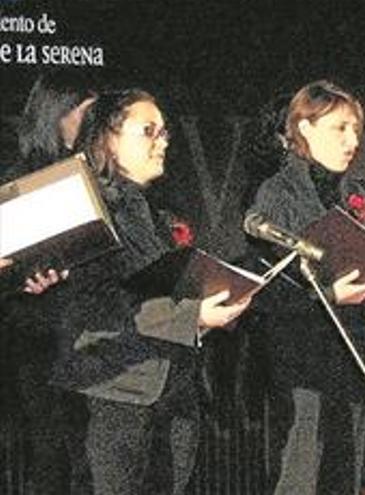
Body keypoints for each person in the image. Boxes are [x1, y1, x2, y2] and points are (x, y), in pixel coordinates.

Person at [48, 89, 251, 495]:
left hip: (170, 392)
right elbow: (100, 302)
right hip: (111, 392)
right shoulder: (84, 209)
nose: (163, 142)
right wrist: (192, 316)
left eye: (165, 133)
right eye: (148, 131)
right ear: (108, 138)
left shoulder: (153, 214)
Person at [243, 80, 365, 495]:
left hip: (351, 348)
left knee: (344, 473)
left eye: (356, 129)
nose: (353, 140)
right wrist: (329, 295)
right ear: (304, 128)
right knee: (302, 474)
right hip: (301, 356)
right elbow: (268, 290)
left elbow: (352, 270)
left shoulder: (349, 192)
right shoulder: (277, 192)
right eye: (340, 128)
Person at [0, 70, 96, 495]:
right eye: (87, 113)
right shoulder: (20, 179)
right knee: (54, 454)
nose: (95, 125)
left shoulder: (103, 173)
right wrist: (24, 279)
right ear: (57, 114)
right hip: (41, 338)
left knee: (94, 457)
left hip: (93, 332)